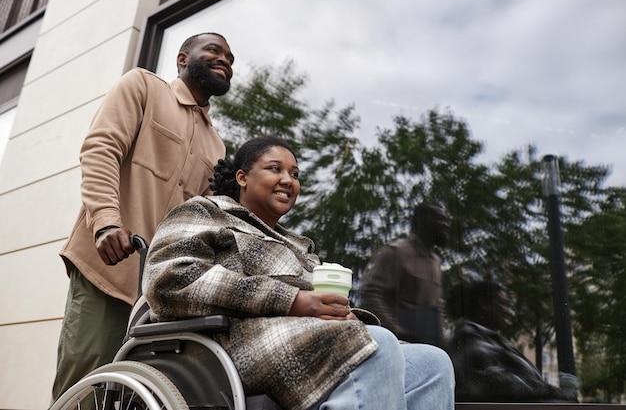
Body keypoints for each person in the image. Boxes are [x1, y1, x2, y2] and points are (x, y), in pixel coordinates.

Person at [143, 136, 455, 410]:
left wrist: (343, 314)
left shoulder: (298, 245)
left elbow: (320, 307)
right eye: (274, 169)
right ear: (242, 177)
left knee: (433, 363)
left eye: (294, 174)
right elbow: (170, 281)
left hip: (307, 340)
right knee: (379, 343)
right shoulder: (204, 212)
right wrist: (293, 301)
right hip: (231, 343)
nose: (288, 180)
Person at [52, 32, 234, 400]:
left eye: (231, 59)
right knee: (84, 387)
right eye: (215, 51)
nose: (226, 61)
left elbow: (199, 221)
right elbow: (100, 150)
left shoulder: (217, 145)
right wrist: (105, 221)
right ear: (183, 59)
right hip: (108, 269)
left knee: (138, 396)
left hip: (157, 295)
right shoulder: (143, 87)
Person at [445, 280, 578, 402]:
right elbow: (497, 383)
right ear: (484, 304)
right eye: (503, 304)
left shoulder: (489, 339)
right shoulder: (467, 339)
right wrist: (551, 391)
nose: (508, 312)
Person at [358, 202, 450, 346]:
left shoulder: (436, 261)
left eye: (445, 219)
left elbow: (437, 306)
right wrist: (395, 330)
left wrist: (441, 339)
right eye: (439, 218)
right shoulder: (396, 253)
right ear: (420, 222)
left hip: (428, 345)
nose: (445, 225)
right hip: (397, 344)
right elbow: (371, 293)